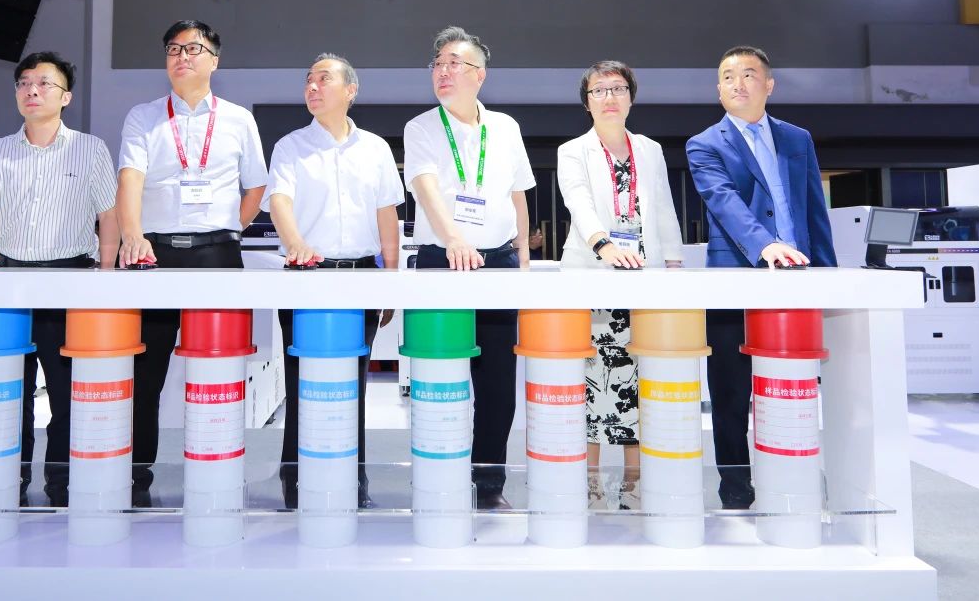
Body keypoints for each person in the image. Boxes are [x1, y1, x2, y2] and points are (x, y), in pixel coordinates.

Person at [115, 20, 268, 499]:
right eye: (173, 49)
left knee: (218, 371)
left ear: (214, 60)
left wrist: (230, 228)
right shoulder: (143, 116)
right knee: (145, 374)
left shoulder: (238, 119)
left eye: (193, 48)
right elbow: (130, 179)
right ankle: (135, 476)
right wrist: (132, 236)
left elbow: (257, 186)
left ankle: (217, 471)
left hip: (217, 257)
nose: (182, 56)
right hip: (153, 254)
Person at [0, 51, 120, 506]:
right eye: (24, 82)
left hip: (70, 279)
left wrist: (108, 273)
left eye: (44, 83)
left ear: (66, 96)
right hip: (8, 281)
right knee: (11, 390)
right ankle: (9, 483)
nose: (32, 90)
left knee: (68, 393)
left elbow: (108, 215)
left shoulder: (90, 148)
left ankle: (61, 485)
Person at [686, 45, 836, 508]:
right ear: (718, 89)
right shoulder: (704, 144)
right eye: (728, 76)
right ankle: (735, 489)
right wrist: (764, 245)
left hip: (796, 282)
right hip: (735, 281)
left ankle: (788, 481)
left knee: (790, 388)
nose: (738, 83)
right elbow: (723, 201)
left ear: (768, 85)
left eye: (749, 74)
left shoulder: (797, 139)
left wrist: (828, 274)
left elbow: (814, 208)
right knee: (731, 392)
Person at [262, 53, 404, 507]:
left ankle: (353, 481)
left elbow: (387, 216)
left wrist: (391, 281)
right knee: (301, 382)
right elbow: (279, 201)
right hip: (306, 276)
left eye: (324, 79)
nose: (312, 87)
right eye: (308, 80)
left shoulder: (375, 149)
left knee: (353, 386)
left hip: (362, 277)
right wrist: (296, 244)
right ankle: (295, 482)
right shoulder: (290, 146)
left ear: (350, 90)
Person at [403, 26, 535, 510]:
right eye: (437, 63)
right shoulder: (421, 127)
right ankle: (439, 478)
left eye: (454, 63)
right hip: (441, 262)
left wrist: (523, 256)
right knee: (441, 381)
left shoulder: (505, 127)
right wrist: (454, 239)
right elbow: (425, 188)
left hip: (498, 261)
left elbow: (518, 193)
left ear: (479, 74)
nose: (443, 71)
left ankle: (489, 486)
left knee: (498, 385)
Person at [557, 60, 684, 505]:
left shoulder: (649, 149)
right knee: (591, 379)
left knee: (637, 377)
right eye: (599, 90)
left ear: (630, 97)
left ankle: (634, 481)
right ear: (587, 103)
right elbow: (578, 202)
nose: (609, 97)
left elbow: (664, 206)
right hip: (593, 277)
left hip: (644, 281)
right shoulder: (573, 150)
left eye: (617, 88)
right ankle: (590, 482)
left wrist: (674, 262)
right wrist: (603, 245)